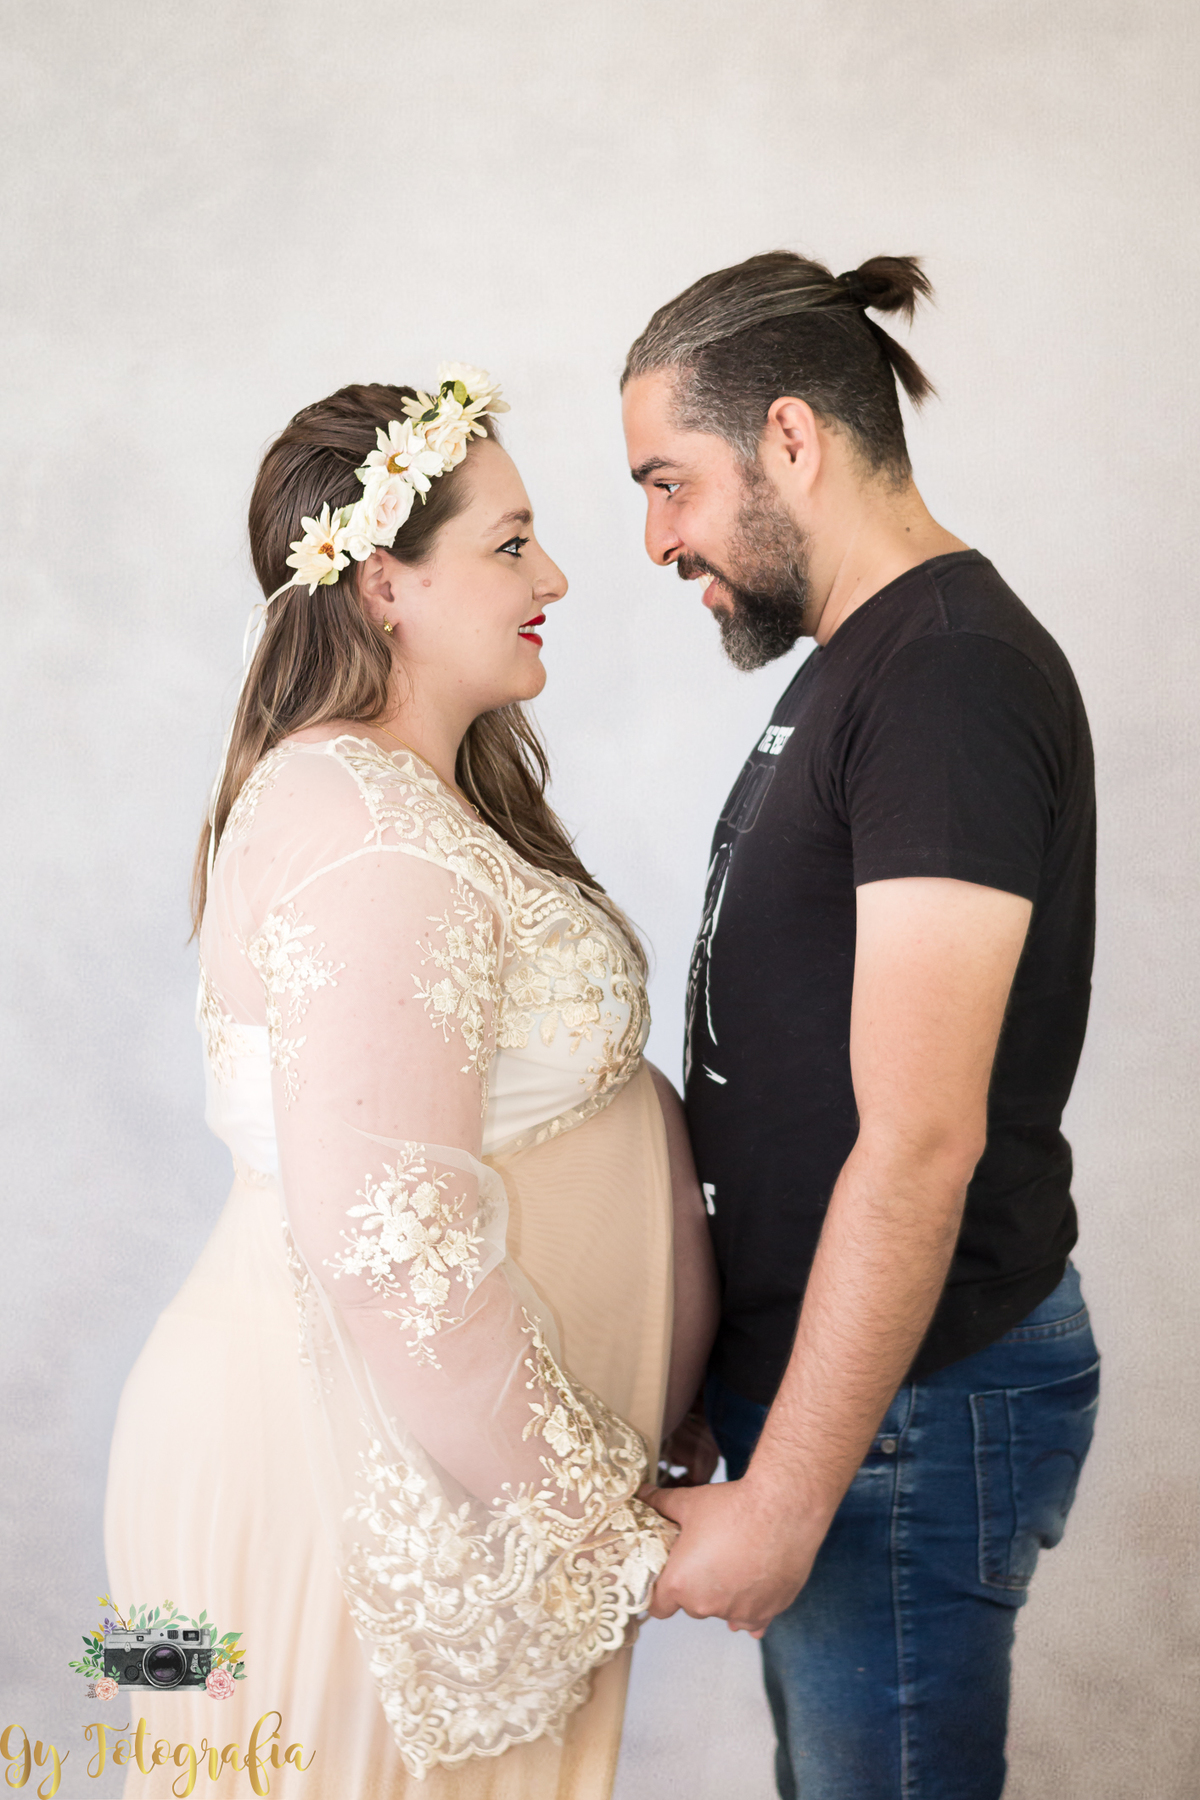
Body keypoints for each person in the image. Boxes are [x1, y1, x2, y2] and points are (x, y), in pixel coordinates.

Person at [104, 368, 718, 1798]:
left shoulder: (391, 799)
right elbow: (391, 1257)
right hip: (308, 1491)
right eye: (510, 543)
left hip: (320, 1463)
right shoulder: (372, 837)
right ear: (384, 583)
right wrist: (612, 1532)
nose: (555, 572)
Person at [622, 254, 1100, 1799]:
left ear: (789, 438)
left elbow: (921, 1137)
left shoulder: (945, 675)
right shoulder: (865, 666)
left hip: (911, 1409)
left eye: (669, 483)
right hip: (859, 1404)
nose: (655, 540)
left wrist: (782, 1505)